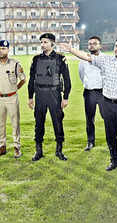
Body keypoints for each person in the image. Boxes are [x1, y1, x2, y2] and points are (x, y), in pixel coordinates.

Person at [60, 36, 117, 175]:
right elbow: (86, 56)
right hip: (108, 102)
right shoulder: (106, 60)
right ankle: (114, 159)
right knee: (110, 134)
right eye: (116, 45)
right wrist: (71, 49)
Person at [28, 33, 71, 161]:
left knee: (58, 123)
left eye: (45, 42)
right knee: (38, 123)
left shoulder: (60, 58)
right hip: (40, 95)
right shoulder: (36, 59)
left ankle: (59, 151)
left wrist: (66, 97)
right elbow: (32, 80)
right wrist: (30, 97)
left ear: (52, 43)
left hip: (54, 95)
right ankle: (38, 151)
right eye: (41, 42)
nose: (42, 44)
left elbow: (67, 79)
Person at [0, 40, 26, 158]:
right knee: (1, 123)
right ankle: (2, 146)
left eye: (3, 49)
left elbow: (23, 79)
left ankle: (16, 147)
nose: (1, 51)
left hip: (12, 98)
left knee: (15, 123)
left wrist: (14, 89)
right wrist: (0, 89)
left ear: (8, 49)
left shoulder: (15, 64)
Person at [79, 36, 104, 151]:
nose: (92, 45)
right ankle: (90, 141)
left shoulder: (106, 58)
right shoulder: (83, 59)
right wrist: (88, 84)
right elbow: (81, 75)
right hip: (89, 92)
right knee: (89, 119)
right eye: (90, 44)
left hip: (103, 92)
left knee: (108, 117)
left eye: (95, 43)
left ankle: (111, 139)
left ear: (100, 45)